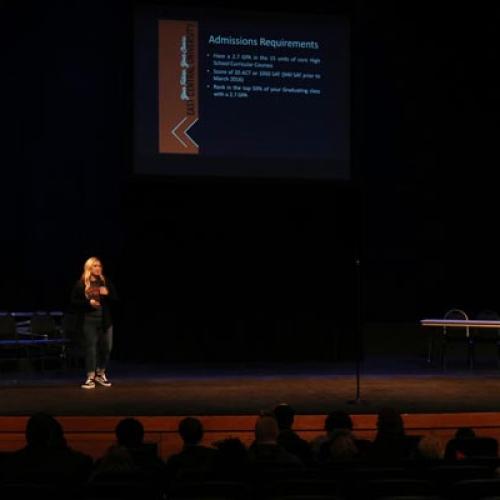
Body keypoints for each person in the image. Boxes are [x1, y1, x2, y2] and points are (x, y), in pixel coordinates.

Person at [71, 256, 118, 389]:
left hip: (105, 320)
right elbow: (73, 302)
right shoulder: (81, 283)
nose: (98, 268)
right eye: (95, 266)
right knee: (91, 348)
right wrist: (88, 303)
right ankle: (90, 376)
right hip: (88, 320)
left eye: (99, 266)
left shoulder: (105, 281)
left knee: (107, 347)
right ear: (89, 268)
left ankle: (100, 373)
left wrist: (107, 294)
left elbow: (115, 299)